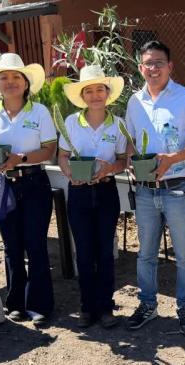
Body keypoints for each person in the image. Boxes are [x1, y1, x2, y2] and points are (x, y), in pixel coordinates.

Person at [124, 41, 185, 335]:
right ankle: (147, 305)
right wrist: (129, 162)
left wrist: (173, 158)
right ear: (140, 68)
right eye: (148, 63)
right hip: (146, 190)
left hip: (178, 189)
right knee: (145, 254)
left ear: (170, 66)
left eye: (159, 63)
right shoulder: (134, 102)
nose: (153, 68)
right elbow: (130, 142)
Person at [0, 53, 57, 327]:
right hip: (1, 184)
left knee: (35, 245)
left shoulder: (39, 112)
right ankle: (15, 303)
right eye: (4, 78)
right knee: (11, 247)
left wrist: (19, 157)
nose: (10, 82)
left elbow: (49, 150)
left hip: (33, 183)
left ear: (25, 82)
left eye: (16, 77)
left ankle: (40, 304)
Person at [58, 65, 128, 329]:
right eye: (90, 90)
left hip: (106, 191)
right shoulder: (71, 123)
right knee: (85, 252)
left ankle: (106, 307)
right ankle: (87, 307)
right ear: (83, 96)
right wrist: (68, 174)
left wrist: (111, 168)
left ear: (108, 94)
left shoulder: (118, 124)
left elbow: (123, 160)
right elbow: (62, 156)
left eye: (100, 89)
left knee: (105, 252)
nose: (96, 95)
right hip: (79, 192)